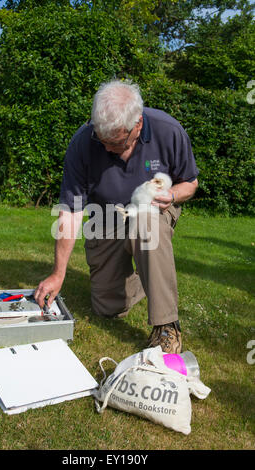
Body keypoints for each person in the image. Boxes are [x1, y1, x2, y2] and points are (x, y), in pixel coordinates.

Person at [34, 79, 199, 353]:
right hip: (106, 217)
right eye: (102, 140)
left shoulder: (168, 131)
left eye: (116, 142)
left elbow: (190, 184)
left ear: (138, 125)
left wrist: (171, 196)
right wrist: (57, 273)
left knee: (145, 223)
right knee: (107, 307)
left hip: (153, 211)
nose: (108, 148)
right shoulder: (83, 143)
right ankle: (148, 276)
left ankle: (167, 326)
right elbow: (71, 212)